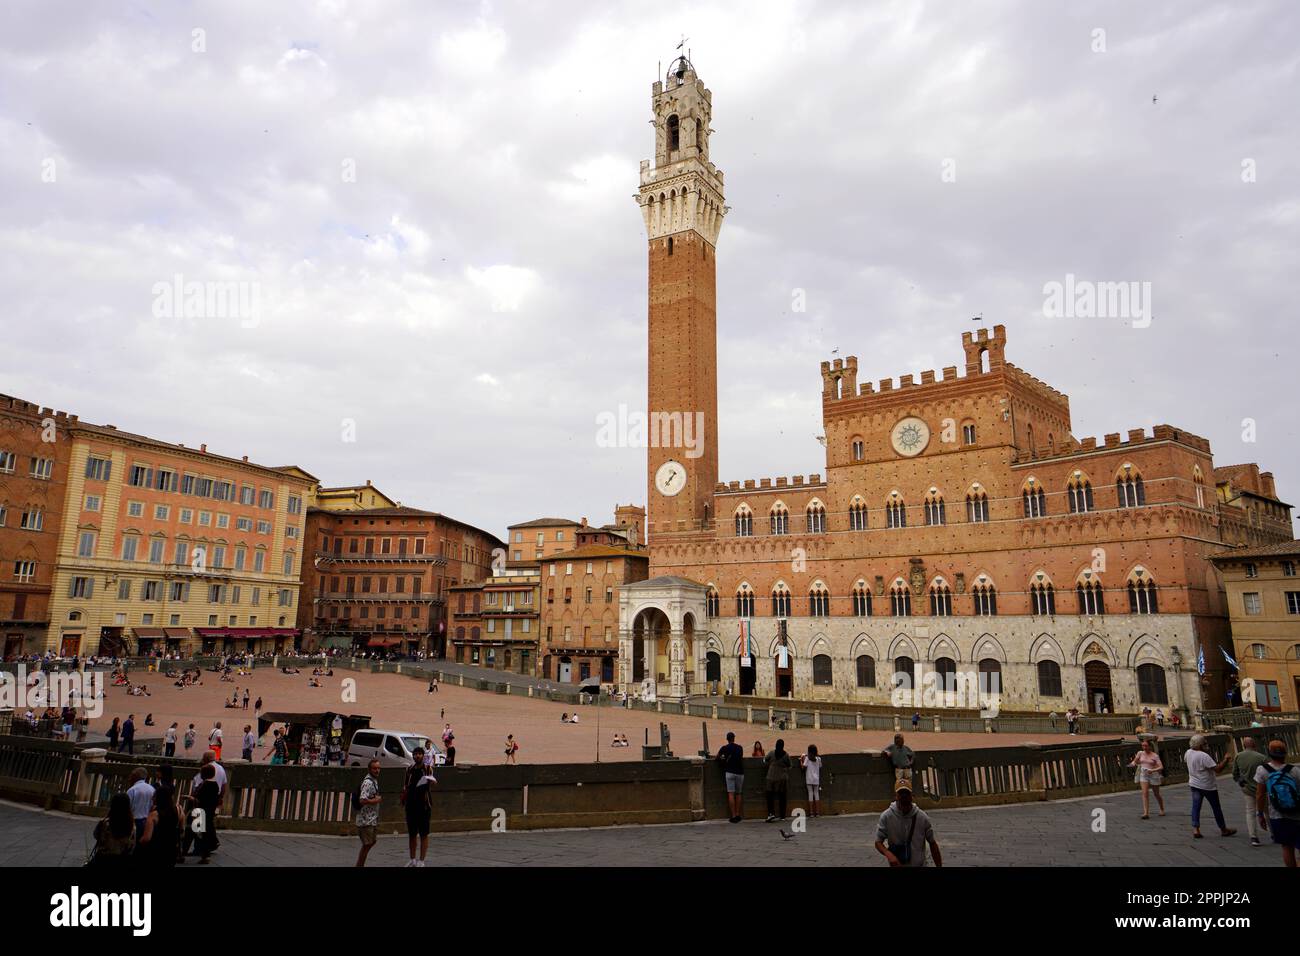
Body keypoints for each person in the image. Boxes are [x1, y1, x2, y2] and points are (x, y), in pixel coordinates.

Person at [1254, 739, 1300, 867]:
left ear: (1269, 753)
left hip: (1277, 815)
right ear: (1285, 753)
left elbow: (1260, 795)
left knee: (1286, 847)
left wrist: (1260, 814)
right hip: (1296, 814)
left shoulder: (1262, 770)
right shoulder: (1295, 770)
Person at [874, 781, 942, 867]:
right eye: (901, 793)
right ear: (896, 796)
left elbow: (932, 843)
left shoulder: (922, 817)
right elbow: (878, 842)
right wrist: (889, 854)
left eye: (906, 793)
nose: (904, 797)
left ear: (912, 796)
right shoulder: (887, 816)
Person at [1184, 734, 1236, 839]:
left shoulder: (1188, 752)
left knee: (1196, 807)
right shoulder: (1203, 756)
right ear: (1199, 745)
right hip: (1207, 786)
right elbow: (1217, 769)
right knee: (1216, 808)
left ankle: (1196, 829)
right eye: (1204, 743)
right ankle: (1223, 829)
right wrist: (1226, 760)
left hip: (1194, 784)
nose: (1205, 745)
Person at [400, 747, 435, 867]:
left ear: (423, 756)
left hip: (424, 806)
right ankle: (412, 859)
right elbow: (405, 786)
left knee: (424, 834)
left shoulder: (427, 769)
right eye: (415, 754)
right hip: (411, 805)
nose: (417, 756)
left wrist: (431, 782)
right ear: (413, 756)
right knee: (412, 834)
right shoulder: (409, 769)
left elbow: (431, 784)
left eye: (419, 754)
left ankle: (421, 860)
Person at [1232, 736, 1269, 847]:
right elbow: (1269, 773)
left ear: (1244, 746)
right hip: (1262, 789)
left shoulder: (1238, 756)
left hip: (1247, 789)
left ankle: (1254, 837)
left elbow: (1235, 773)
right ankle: (1274, 834)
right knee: (1267, 812)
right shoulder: (1262, 757)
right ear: (1254, 745)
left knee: (1250, 812)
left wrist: (1240, 781)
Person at [88, 793, 136, 866]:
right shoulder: (132, 826)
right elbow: (131, 847)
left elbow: (96, 835)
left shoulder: (105, 823)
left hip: (102, 858)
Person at [137, 785, 180, 867]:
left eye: (154, 796)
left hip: (156, 851)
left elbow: (146, 838)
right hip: (171, 850)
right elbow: (181, 829)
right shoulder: (178, 810)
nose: (152, 798)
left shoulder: (154, 815)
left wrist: (138, 844)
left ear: (160, 798)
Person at [1127, 738, 1165, 819]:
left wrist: (1153, 770)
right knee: (1145, 793)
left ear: (1150, 746)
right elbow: (1135, 761)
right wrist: (1132, 764)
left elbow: (1161, 767)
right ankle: (1146, 813)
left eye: (1146, 745)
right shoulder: (1140, 753)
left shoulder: (1155, 755)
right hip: (1144, 774)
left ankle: (1161, 809)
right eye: (1143, 745)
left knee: (1156, 794)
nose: (1144, 747)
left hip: (1153, 774)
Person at [355, 758, 382, 867]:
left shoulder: (374, 780)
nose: (377, 770)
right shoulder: (368, 782)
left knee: (371, 842)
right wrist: (376, 800)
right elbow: (362, 800)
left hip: (371, 819)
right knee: (367, 845)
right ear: (369, 769)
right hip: (365, 820)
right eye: (375, 768)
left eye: (378, 768)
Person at [193, 764, 220, 864]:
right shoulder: (215, 785)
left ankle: (200, 852)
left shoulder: (205, 785)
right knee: (205, 833)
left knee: (198, 833)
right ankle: (204, 853)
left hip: (200, 811)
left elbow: (199, 798)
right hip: (209, 811)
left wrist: (192, 798)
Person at [716, 731, 745, 823]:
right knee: (739, 794)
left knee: (731, 794)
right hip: (740, 772)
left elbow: (717, 757)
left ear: (727, 739)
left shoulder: (724, 748)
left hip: (729, 772)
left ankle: (733, 816)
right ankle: (737, 814)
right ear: (734, 738)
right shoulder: (740, 748)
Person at [764, 738, 791, 822]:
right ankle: (782, 815)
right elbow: (790, 765)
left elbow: (765, 760)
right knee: (782, 797)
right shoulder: (786, 755)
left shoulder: (772, 753)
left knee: (770, 796)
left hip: (771, 777)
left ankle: (771, 813)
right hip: (782, 778)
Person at [126, 767, 155, 839]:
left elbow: (126, 807)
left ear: (136, 776)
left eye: (132, 775)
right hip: (147, 821)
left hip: (134, 821)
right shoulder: (152, 789)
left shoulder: (132, 790)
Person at [801, 744, 822, 817]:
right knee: (816, 794)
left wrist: (801, 759)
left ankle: (811, 813)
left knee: (810, 794)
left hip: (809, 779)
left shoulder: (807, 758)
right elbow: (820, 766)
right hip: (816, 779)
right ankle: (818, 812)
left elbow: (803, 767)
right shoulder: (819, 759)